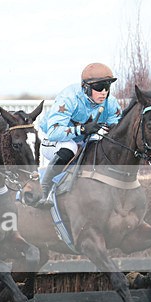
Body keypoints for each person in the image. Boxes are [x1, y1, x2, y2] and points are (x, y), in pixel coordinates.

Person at [35, 62, 122, 208]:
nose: (104, 92)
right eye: (99, 87)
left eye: (107, 87)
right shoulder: (69, 98)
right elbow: (54, 132)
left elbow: (118, 130)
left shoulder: (111, 103)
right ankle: (44, 192)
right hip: (53, 140)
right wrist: (82, 129)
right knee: (70, 147)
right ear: (86, 87)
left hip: (83, 141)